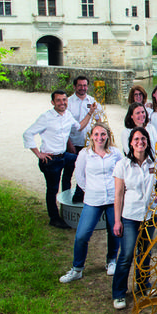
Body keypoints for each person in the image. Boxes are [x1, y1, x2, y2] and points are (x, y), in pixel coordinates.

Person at [59, 122, 123, 283]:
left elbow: (122, 172)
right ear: (91, 137)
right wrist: (89, 189)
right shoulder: (84, 154)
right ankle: (77, 269)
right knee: (82, 235)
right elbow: (79, 175)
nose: (100, 137)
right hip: (93, 200)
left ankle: (111, 261)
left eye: (103, 134)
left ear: (108, 135)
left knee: (114, 232)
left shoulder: (115, 153)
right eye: (96, 134)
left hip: (112, 199)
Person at [23, 90, 96, 229]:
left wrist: (90, 113)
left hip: (63, 156)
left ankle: (77, 195)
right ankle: (54, 218)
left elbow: (79, 127)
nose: (62, 103)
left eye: (64, 100)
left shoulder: (67, 115)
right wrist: (39, 154)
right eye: (59, 100)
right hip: (50, 160)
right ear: (53, 102)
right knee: (52, 189)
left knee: (83, 162)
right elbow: (27, 134)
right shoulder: (46, 117)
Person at [111, 127, 157, 310]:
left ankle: (143, 287)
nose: (140, 142)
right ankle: (119, 293)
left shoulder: (154, 164)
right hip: (130, 216)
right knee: (126, 254)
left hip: (148, 216)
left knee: (145, 254)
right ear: (131, 143)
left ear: (147, 141)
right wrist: (117, 220)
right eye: (137, 139)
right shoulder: (123, 165)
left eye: (143, 139)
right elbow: (118, 195)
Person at [67, 75, 100, 153]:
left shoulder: (92, 101)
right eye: (80, 85)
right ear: (74, 86)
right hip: (73, 144)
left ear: (87, 86)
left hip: (89, 144)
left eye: (84, 85)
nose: (82, 88)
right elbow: (64, 127)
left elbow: (99, 121)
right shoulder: (68, 103)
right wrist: (69, 145)